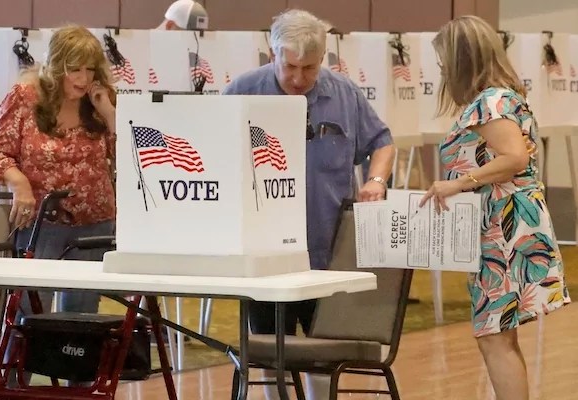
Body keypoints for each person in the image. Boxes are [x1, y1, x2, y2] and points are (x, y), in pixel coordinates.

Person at [222, 9, 394, 400]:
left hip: (325, 250)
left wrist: (376, 180)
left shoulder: (344, 93)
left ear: (324, 61)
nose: (299, 78)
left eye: (310, 68)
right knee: (267, 346)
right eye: (291, 66)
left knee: (322, 348)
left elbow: (381, 142)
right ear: (273, 53)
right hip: (261, 256)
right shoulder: (242, 91)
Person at [419, 15, 570, 400]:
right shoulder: (497, 98)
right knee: (497, 336)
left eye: (443, 64)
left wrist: (458, 182)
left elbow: (515, 157)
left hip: (505, 227)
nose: (441, 72)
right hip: (503, 222)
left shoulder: (492, 101)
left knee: (495, 337)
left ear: (460, 62)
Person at [0, 24, 117, 385]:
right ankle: (12, 388)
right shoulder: (25, 98)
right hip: (43, 224)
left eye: (90, 69)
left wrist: (110, 115)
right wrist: (19, 181)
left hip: (94, 225)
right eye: (75, 69)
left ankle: (79, 392)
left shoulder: (101, 101)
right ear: (55, 67)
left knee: (82, 322)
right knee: (25, 314)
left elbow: (133, 157)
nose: (84, 78)